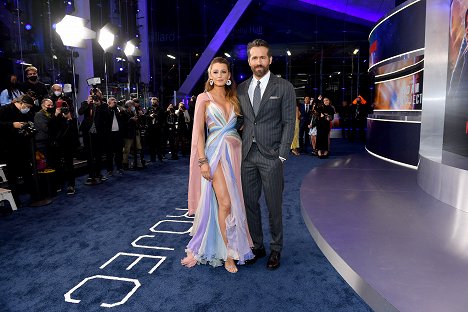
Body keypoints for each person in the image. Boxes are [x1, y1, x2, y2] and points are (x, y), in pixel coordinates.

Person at [182, 57, 254, 273]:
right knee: (225, 202)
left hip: (235, 153)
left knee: (235, 201)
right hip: (214, 155)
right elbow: (198, 134)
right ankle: (228, 254)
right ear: (210, 76)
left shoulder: (235, 100)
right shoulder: (203, 99)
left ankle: (231, 247)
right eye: (216, 72)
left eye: (224, 72)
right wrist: (202, 161)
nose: (220, 75)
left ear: (229, 76)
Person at [237, 39, 296, 270]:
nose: (258, 62)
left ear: (270, 60)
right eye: (254, 58)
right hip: (247, 156)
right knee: (250, 204)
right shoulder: (241, 88)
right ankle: (258, 245)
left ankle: (276, 249)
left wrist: (282, 154)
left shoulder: (284, 87)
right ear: (249, 61)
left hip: (271, 156)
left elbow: (289, 122)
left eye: (262, 57)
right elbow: (241, 120)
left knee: (274, 206)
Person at [0, 95, 35, 206]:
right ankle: (15, 199)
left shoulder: (25, 113)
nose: (28, 109)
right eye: (27, 106)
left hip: (23, 146)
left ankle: (33, 195)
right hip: (8, 147)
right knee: (12, 175)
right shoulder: (5, 109)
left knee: (27, 171)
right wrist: (12, 125)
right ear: (22, 102)